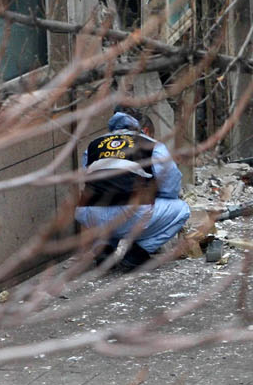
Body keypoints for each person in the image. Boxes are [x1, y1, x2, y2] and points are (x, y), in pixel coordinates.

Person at [75, 110, 188, 272]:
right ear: (146, 130)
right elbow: (170, 185)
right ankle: (137, 254)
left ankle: (103, 250)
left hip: (90, 214)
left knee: (101, 203)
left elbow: (87, 179)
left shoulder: (94, 144)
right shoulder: (152, 145)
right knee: (181, 209)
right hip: (130, 214)